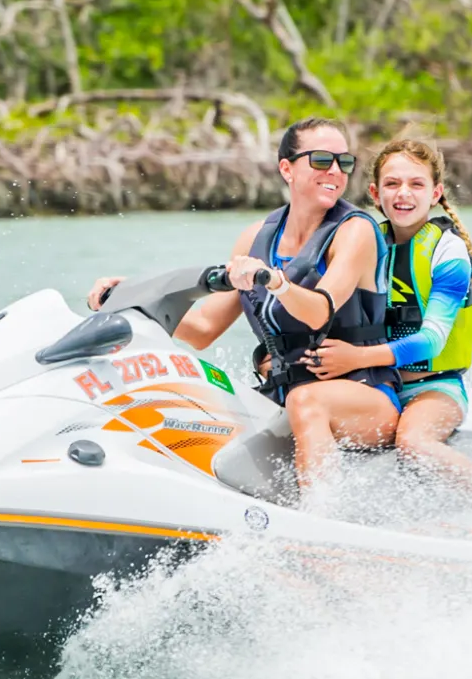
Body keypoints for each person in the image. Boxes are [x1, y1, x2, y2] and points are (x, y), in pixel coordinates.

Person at [87, 117, 401, 492]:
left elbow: (320, 310)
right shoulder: (256, 238)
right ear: (287, 168)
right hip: (283, 398)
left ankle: (320, 527)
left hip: (366, 397)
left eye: (343, 162)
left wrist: (275, 281)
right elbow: (204, 330)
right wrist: (133, 296)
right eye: (320, 160)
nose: (334, 171)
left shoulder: (355, 230)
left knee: (306, 401)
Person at [304, 136, 472, 524]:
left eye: (416, 184)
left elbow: (432, 340)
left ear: (435, 193)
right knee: (305, 404)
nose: (403, 194)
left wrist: (357, 357)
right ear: (375, 193)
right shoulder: (363, 243)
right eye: (392, 184)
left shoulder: (449, 253)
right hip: (379, 387)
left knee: (413, 443)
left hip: (435, 388)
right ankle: (321, 516)